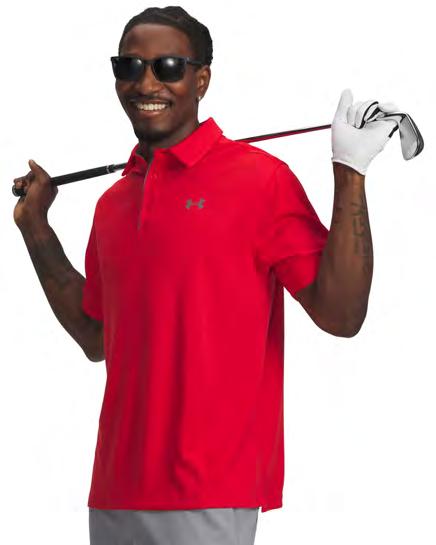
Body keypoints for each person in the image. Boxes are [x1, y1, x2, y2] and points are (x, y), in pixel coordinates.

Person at [13, 6, 399, 545]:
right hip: (114, 491)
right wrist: (35, 229)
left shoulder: (260, 180)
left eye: (168, 66)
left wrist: (349, 172)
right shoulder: (113, 203)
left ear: (201, 80)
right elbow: (96, 336)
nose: (146, 83)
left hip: (210, 492)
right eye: (129, 66)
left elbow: (341, 313)